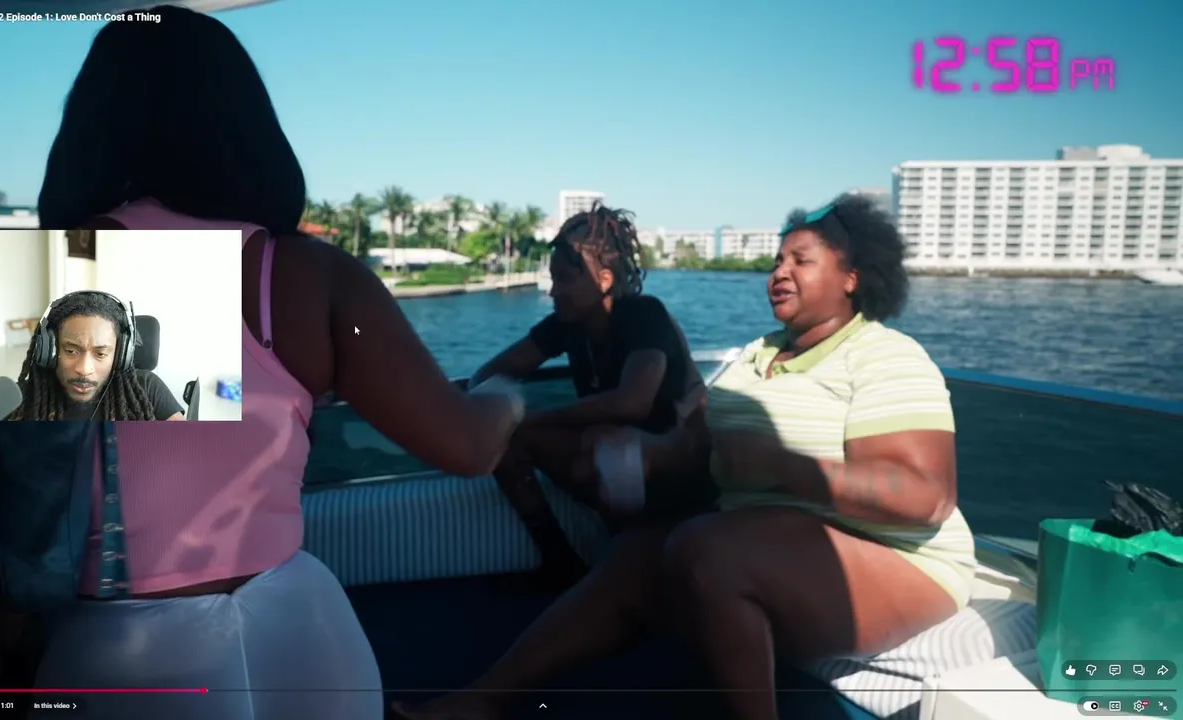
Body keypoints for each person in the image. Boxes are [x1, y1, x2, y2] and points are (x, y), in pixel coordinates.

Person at [0, 7, 525, 720]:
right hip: (310, 642)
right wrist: (507, 396)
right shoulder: (310, 277)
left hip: (116, 666)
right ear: (249, 127)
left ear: (86, 129)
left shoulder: (11, 285)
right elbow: (468, 447)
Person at [394, 194, 978, 720]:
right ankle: (485, 699)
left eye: (801, 261)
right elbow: (698, 446)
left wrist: (783, 466)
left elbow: (925, 497)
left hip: (899, 562)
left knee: (707, 547)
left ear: (852, 278)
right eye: (778, 260)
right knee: (631, 558)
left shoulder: (884, 355)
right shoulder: (756, 356)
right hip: (771, 540)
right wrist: (649, 456)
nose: (779, 272)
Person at [469, 203, 708, 584]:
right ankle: (560, 561)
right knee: (512, 438)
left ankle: (629, 561)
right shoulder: (567, 324)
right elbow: (491, 372)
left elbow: (633, 403)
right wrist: (495, 410)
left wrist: (535, 419)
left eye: (564, 280)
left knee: (608, 447)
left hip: (678, 469)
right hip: (617, 455)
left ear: (605, 280)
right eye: (553, 279)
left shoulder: (645, 315)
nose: (553, 291)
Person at [8, 290, 184, 421]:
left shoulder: (147, 388)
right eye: (71, 351)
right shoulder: (17, 399)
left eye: (100, 353)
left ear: (120, 354)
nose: (84, 369)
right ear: (50, 350)